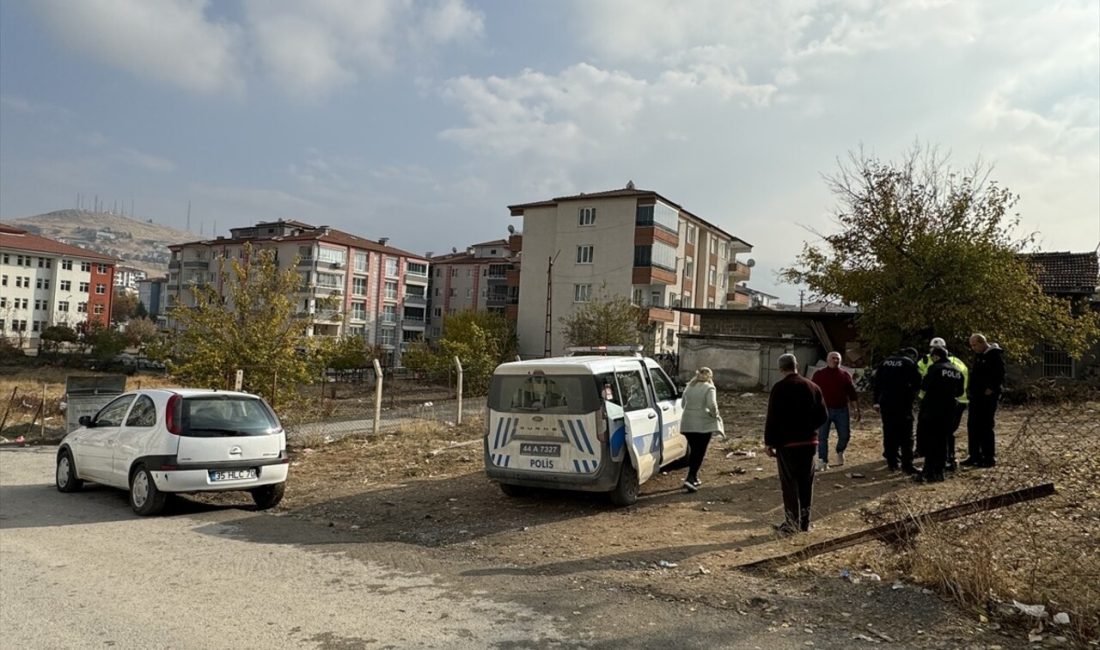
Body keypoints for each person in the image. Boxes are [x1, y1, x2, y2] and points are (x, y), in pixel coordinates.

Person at [764, 354, 828, 534]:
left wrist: (769, 443)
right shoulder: (812, 386)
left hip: (787, 444)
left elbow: (772, 417)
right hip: (809, 442)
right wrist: (809, 428)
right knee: (806, 482)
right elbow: (823, 416)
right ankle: (805, 523)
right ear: (796, 365)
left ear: (780, 369)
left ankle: (792, 523)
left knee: (790, 484)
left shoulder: (779, 388)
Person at [917, 337, 969, 470]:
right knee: (946, 434)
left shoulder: (934, 367)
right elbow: (959, 390)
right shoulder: (956, 367)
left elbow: (924, 385)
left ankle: (930, 468)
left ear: (935, 355)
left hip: (933, 406)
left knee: (932, 435)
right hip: (952, 406)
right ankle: (946, 462)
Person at [872, 347, 921, 473]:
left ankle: (892, 463)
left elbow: (876, 383)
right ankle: (907, 465)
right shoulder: (909, 363)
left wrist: (876, 401)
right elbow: (917, 383)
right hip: (903, 404)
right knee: (906, 435)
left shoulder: (885, 362)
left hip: (886, 403)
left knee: (889, 432)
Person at [811, 351, 861, 470]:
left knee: (845, 435)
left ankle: (840, 450)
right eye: (833, 358)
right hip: (824, 410)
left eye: (837, 358)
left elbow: (852, 394)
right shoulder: (819, 374)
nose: (835, 360)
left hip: (841, 410)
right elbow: (812, 391)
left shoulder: (845, 375)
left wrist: (856, 409)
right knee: (822, 437)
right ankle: (823, 460)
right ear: (827, 360)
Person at [963, 333, 1005, 468]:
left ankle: (988, 457)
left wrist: (991, 388)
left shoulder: (994, 356)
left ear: (982, 342)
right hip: (976, 396)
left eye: (975, 345)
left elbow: (1000, 374)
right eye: (971, 346)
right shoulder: (979, 356)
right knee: (973, 425)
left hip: (987, 398)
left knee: (986, 426)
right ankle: (974, 455)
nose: (973, 348)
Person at [679, 367, 722, 492]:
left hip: (687, 423)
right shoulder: (709, 388)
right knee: (699, 452)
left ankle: (693, 477)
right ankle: (690, 478)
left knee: (694, 450)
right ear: (710, 377)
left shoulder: (689, 387)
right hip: (702, 424)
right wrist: (715, 415)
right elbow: (712, 405)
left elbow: (682, 405)